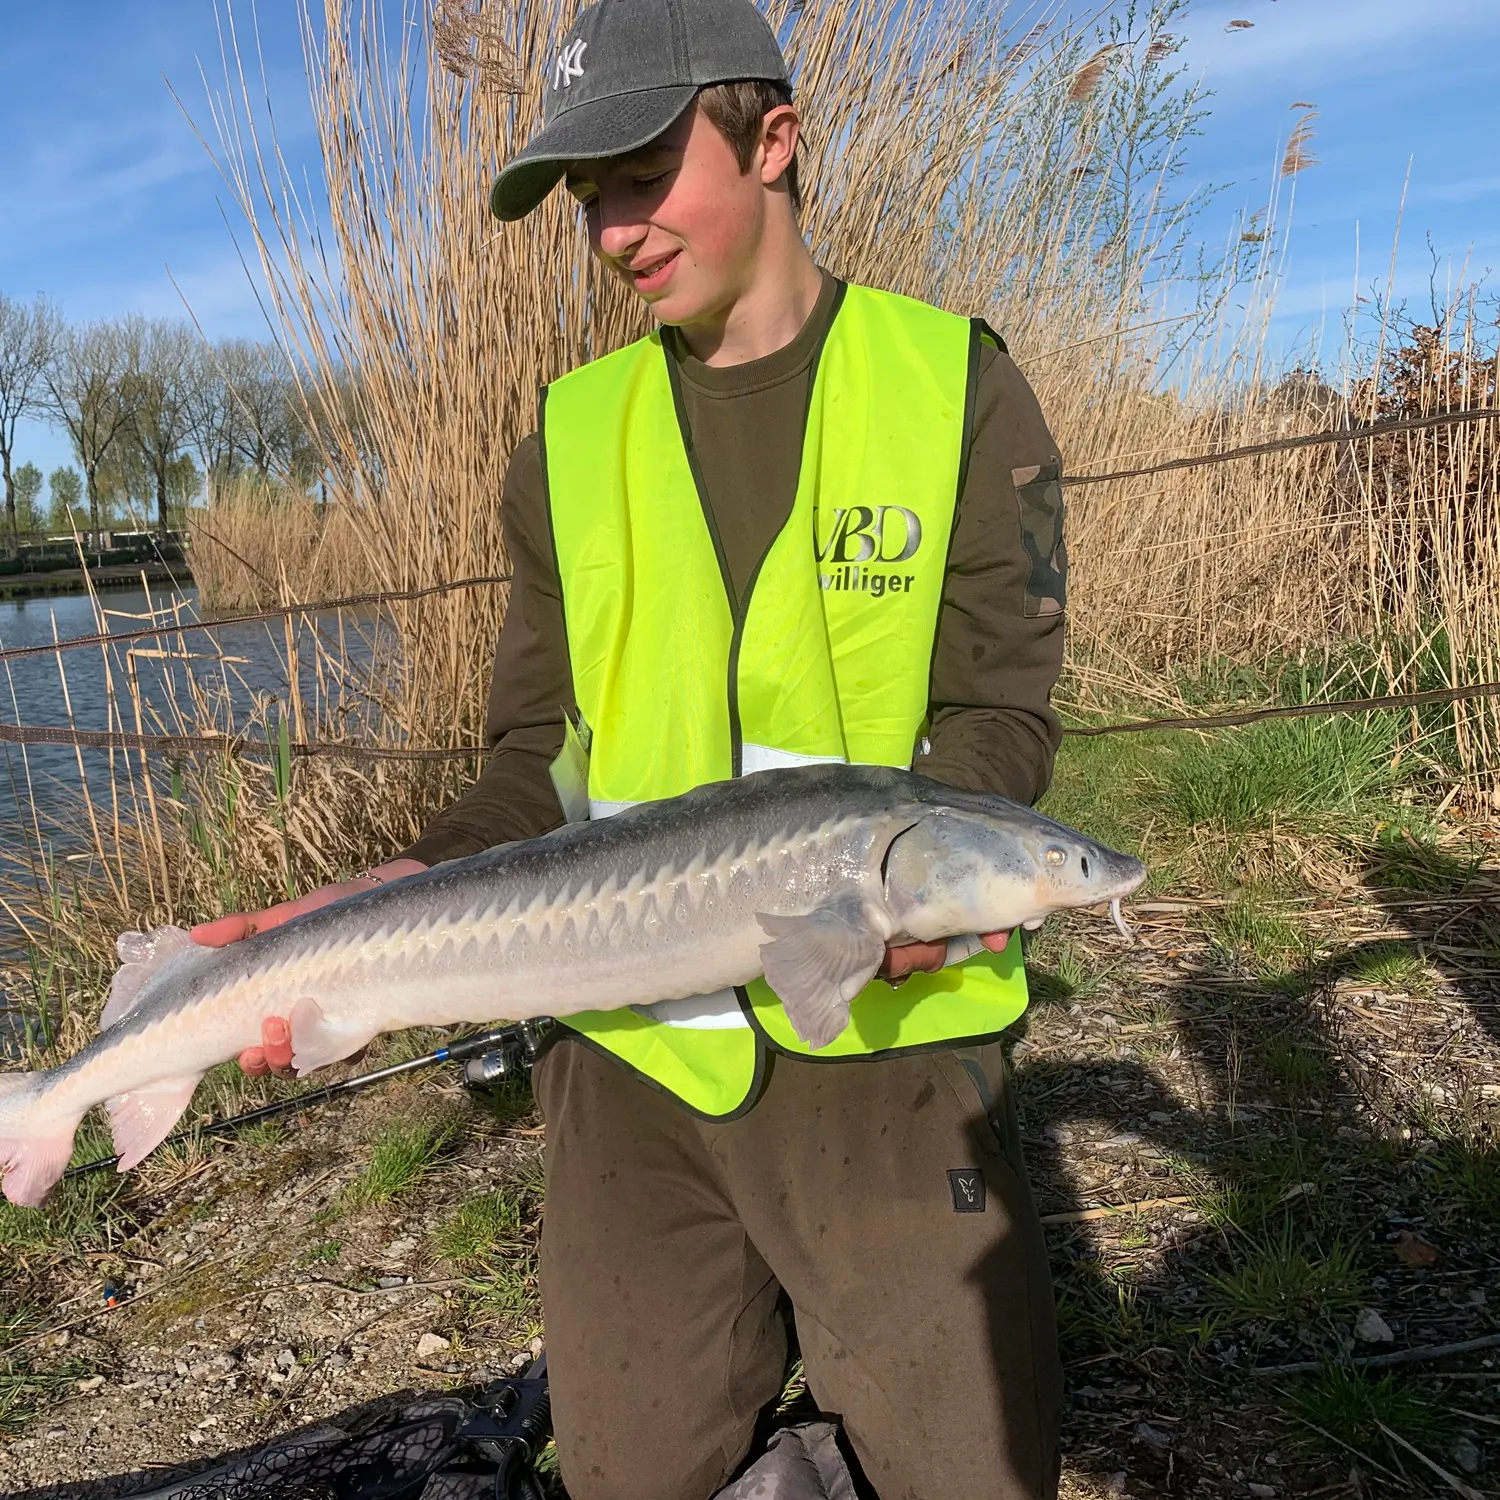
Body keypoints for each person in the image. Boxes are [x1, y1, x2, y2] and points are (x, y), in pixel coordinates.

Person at [193, 0, 1070, 1493]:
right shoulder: (567, 438)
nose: (611, 228)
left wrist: (924, 889)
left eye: (643, 170)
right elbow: (531, 757)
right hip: (627, 1062)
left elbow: (1003, 718)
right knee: (627, 1474)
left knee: (978, 1471)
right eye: (588, 193)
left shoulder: (958, 388)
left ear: (776, 139)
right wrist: (368, 904)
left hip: (886, 1044)